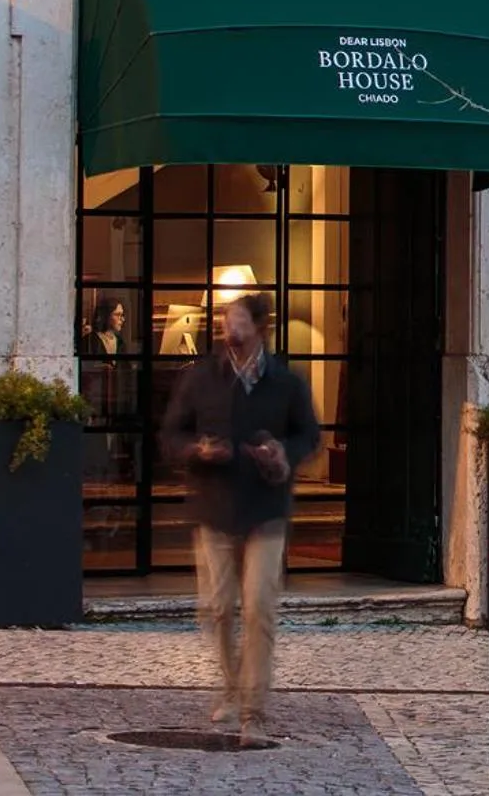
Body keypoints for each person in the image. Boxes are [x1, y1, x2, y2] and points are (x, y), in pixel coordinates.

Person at [161, 294, 320, 744]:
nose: (229, 326)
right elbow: (172, 434)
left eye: (238, 319)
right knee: (217, 607)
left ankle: (254, 708)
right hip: (214, 509)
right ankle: (230, 689)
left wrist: (282, 453)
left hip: (266, 511)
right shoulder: (201, 379)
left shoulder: (286, 382)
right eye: (226, 319)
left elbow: (308, 434)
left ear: (259, 327)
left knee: (259, 608)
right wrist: (197, 450)